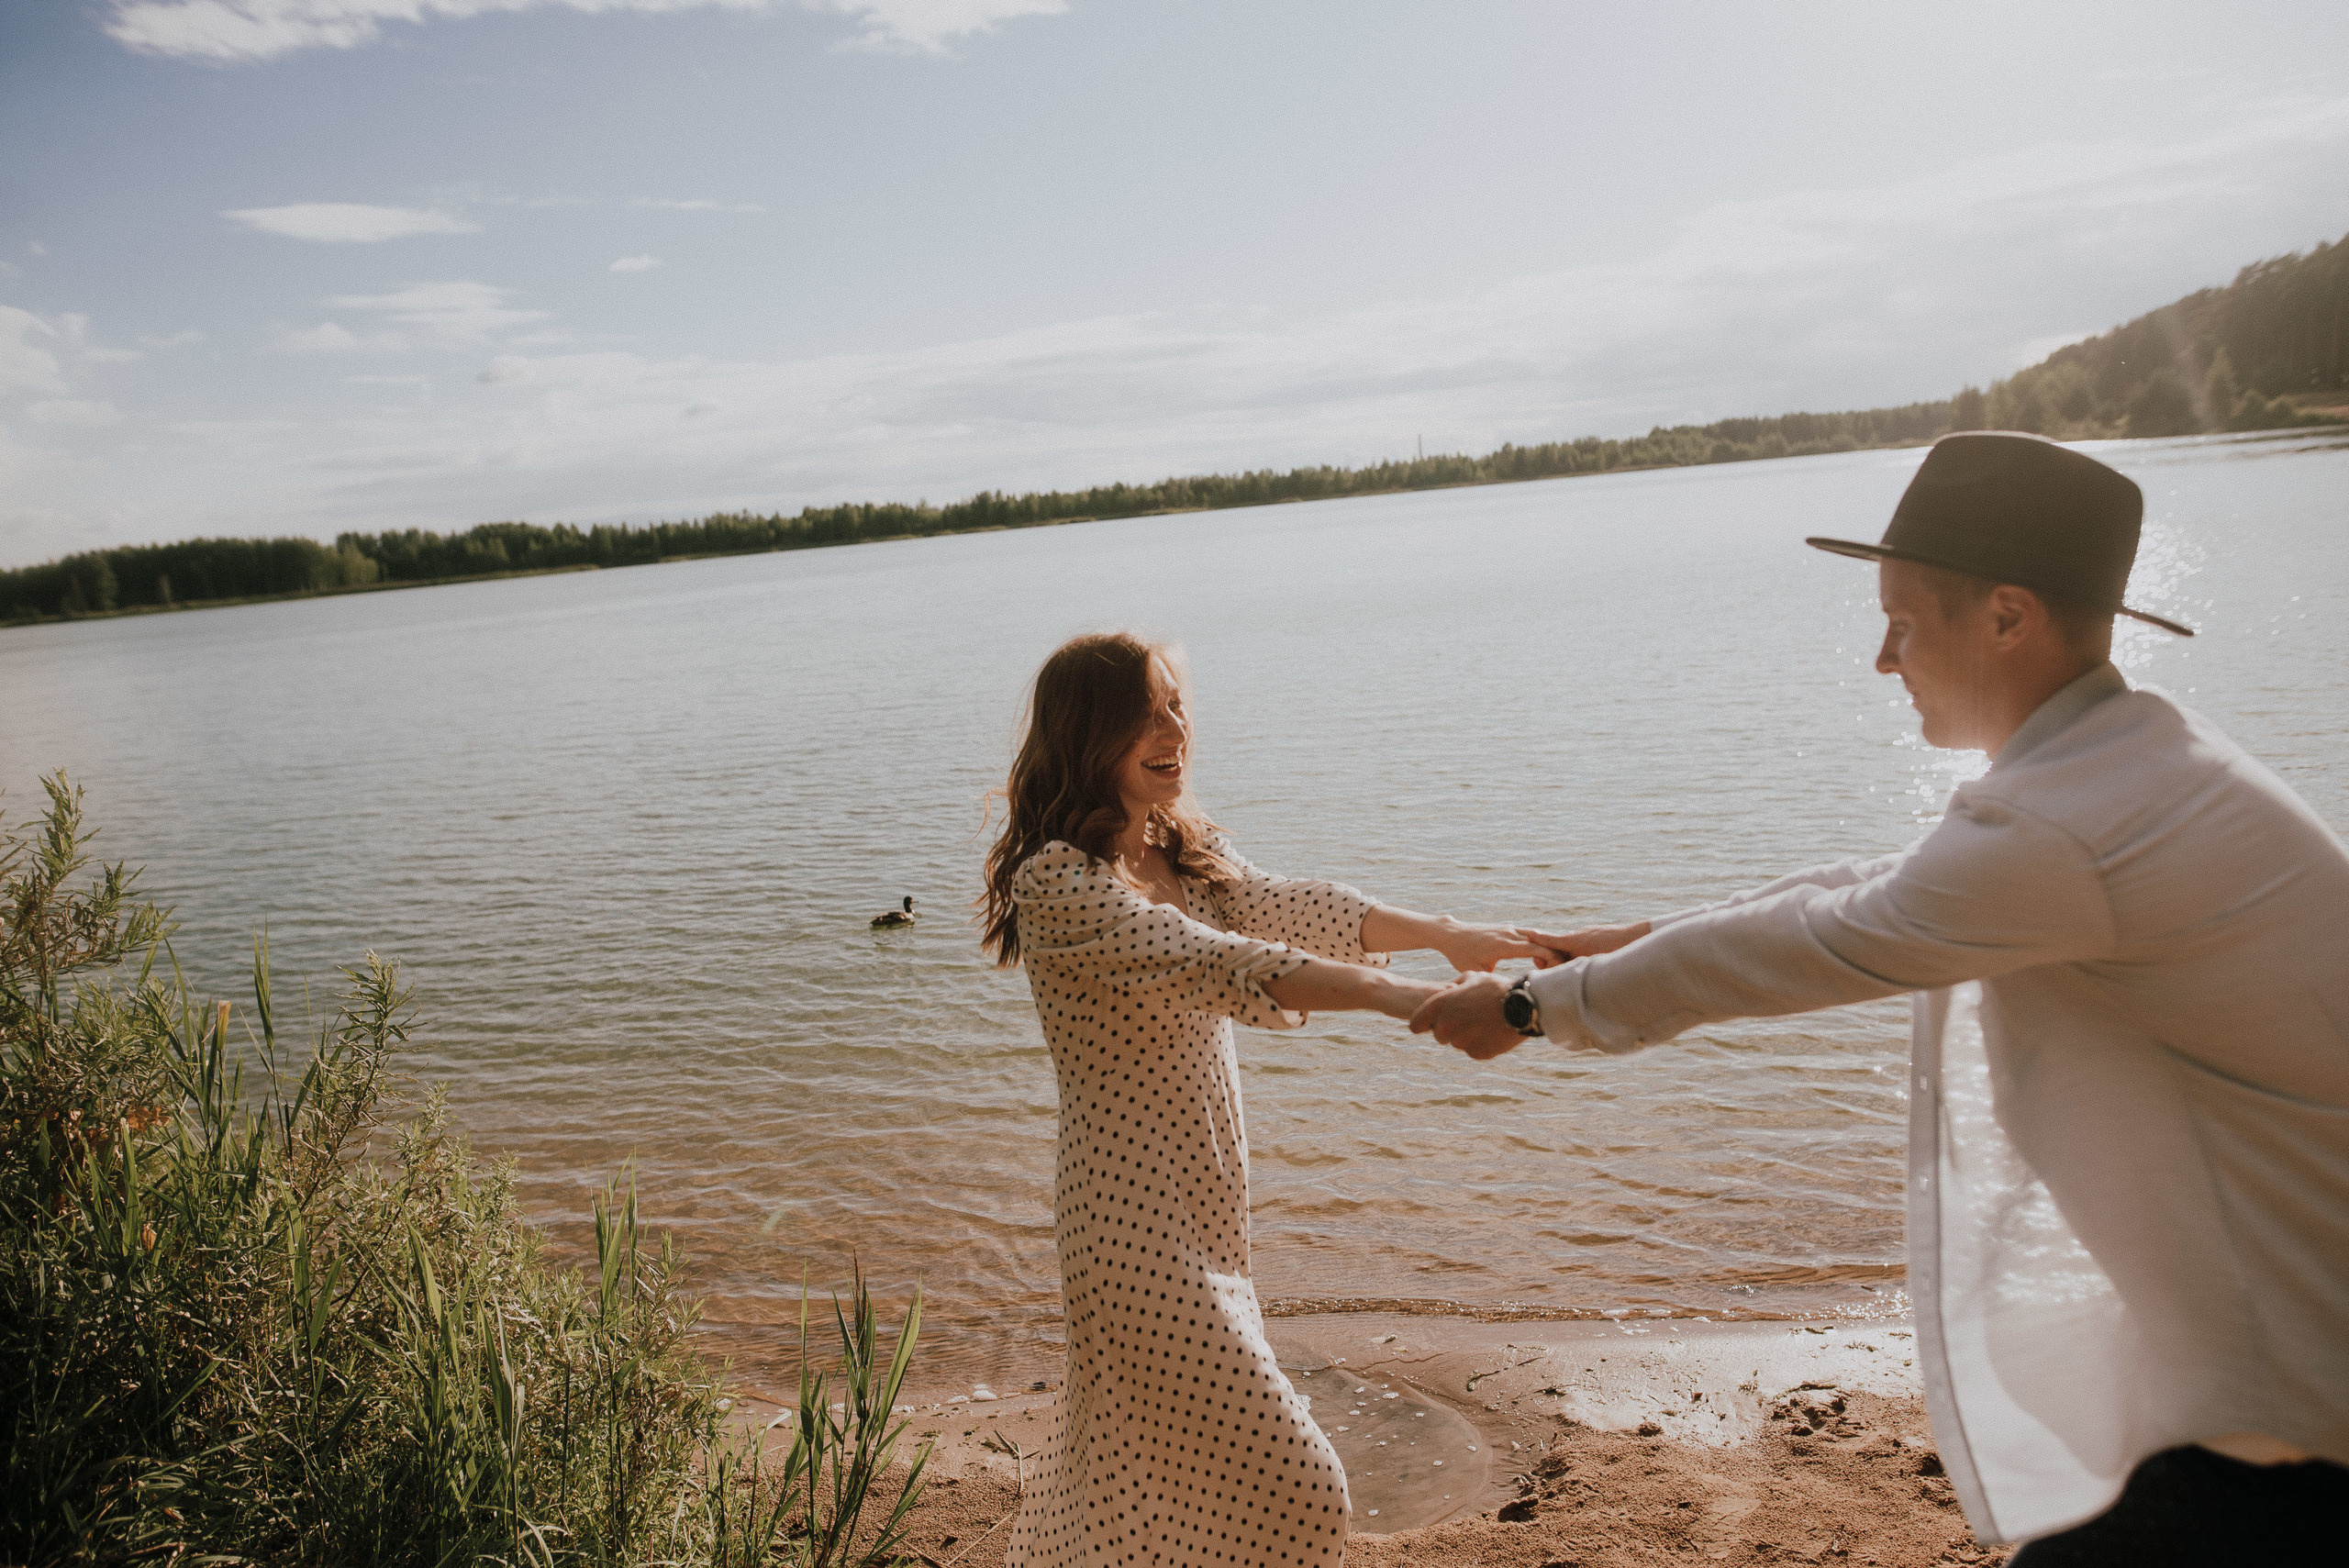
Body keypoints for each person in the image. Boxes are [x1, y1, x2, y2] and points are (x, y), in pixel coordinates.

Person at [1411, 432, 2349, 1562]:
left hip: (2295, 1396)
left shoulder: (2058, 824)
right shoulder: (2126, 764)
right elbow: (1866, 890)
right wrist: (1624, 939)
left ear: (2007, 616)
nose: (1880, 658)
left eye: (1901, 621)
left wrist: (1534, 1006)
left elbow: (1816, 943)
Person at [982, 631, 1562, 1568]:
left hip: (1205, 1201)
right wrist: (1402, 996)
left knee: (1148, 1460)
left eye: (1176, 703)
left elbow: (1288, 905)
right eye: (1147, 709)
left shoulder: (1177, 848)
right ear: (1088, 732)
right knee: (1295, 1479)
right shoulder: (1059, 883)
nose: (1174, 727)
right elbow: (1217, 961)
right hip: (1126, 1225)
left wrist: (1447, 935)